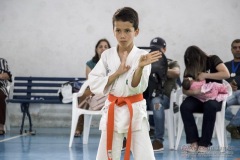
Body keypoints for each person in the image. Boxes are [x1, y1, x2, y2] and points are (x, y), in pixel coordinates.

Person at [88, 7, 162, 160]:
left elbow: (138, 86)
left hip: (134, 110)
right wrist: (117, 73)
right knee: (104, 156)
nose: (122, 35)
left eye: (127, 30)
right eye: (118, 30)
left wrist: (140, 67)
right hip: (112, 110)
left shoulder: (142, 56)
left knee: (145, 156)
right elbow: (94, 82)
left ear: (136, 31)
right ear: (113, 30)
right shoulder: (107, 55)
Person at [180, 45, 230, 153]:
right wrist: (194, 92)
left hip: (214, 97)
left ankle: (204, 143)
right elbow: (184, 90)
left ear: (200, 57)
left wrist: (206, 75)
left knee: (210, 106)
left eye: (194, 61)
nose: (193, 65)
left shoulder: (213, 59)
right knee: (185, 106)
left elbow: (226, 74)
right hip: (198, 97)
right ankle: (193, 141)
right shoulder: (190, 67)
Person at [145, 37, 180, 151]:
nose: (155, 51)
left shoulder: (171, 62)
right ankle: (128, 138)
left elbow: (176, 72)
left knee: (156, 102)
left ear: (164, 50)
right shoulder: (145, 62)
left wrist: (160, 69)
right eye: (152, 49)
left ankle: (158, 140)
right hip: (146, 96)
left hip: (163, 98)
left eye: (158, 49)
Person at [74, 38, 111, 137]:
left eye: (105, 47)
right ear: (96, 49)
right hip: (93, 89)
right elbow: (90, 81)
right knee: (83, 95)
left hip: (108, 89)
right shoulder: (90, 63)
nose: (103, 48)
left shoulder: (113, 62)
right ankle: (79, 127)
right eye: (100, 47)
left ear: (109, 49)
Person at [224, 39, 240, 139]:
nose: (237, 50)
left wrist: (235, 82)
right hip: (228, 92)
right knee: (216, 103)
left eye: (239, 47)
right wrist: (228, 85)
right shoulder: (225, 65)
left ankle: (233, 125)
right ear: (231, 50)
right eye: (235, 48)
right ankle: (235, 126)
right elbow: (220, 80)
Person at [0, 58, 12, 135]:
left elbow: (7, 75)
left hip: (1, 87)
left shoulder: (2, 61)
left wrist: (1, 75)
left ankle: (0, 126)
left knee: (0, 96)